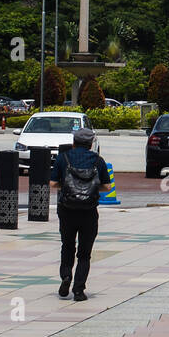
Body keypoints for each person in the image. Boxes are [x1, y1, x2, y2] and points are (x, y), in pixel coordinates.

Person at [51, 127, 111, 302]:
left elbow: (53, 182)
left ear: (73, 141)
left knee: (67, 245)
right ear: (91, 143)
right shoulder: (98, 161)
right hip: (89, 211)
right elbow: (107, 187)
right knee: (85, 253)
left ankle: (66, 276)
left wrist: (69, 188)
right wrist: (90, 188)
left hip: (67, 209)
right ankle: (79, 290)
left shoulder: (64, 158)